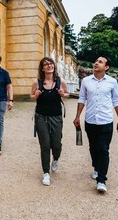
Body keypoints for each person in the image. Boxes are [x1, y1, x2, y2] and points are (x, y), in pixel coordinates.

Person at [73, 56, 118, 193]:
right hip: (90, 120)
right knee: (93, 148)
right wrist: (77, 116)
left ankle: (101, 180)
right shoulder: (86, 81)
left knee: (103, 149)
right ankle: (96, 167)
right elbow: (82, 99)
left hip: (106, 121)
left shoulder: (112, 82)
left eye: (100, 62)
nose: (96, 63)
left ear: (106, 67)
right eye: (95, 61)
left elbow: (116, 101)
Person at [30, 57, 69, 186]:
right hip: (41, 116)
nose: (49, 65)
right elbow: (31, 95)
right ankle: (46, 173)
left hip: (56, 116)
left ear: (54, 66)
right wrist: (35, 95)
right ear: (42, 68)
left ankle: (56, 159)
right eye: (46, 64)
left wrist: (63, 93)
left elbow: (68, 93)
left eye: (51, 63)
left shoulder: (60, 81)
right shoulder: (37, 82)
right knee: (45, 144)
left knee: (56, 144)